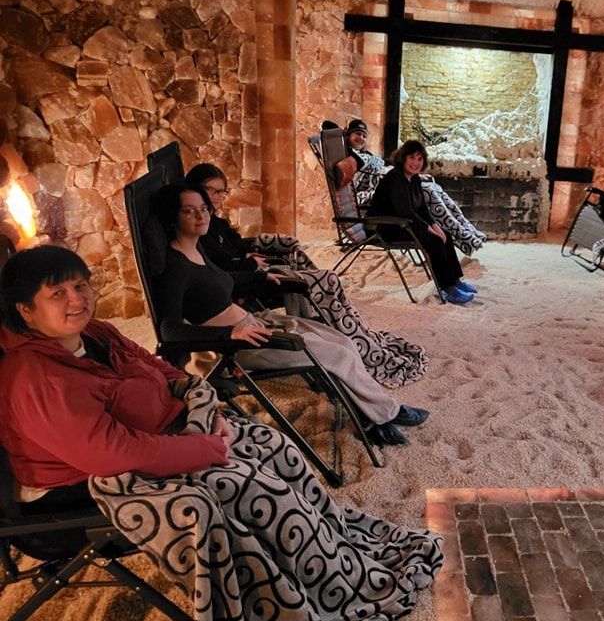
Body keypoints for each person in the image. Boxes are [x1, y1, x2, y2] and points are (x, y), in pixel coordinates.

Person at [0, 245, 443, 621]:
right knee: (247, 485)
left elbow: (162, 368)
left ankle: (334, 557)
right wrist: (208, 447)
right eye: (57, 294)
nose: (77, 300)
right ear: (25, 310)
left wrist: (206, 407)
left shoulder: (96, 334)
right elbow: (111, 452)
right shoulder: (37, 378)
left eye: (81, 286)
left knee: (274, 447)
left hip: (171, 432)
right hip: (81, 495)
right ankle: (319, 592)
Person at [152, 183, 429, 446]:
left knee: (342, 341)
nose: (201, 215)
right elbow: (169, 330)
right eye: (189, 210)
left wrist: (258, 276)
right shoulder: (175, 268)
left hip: (256, 323)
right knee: (337, 355)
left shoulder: (196, 247)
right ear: (173, 218)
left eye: (204, 208)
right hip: (240, 345)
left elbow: (218, 281)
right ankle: (387, 414)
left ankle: (373, 416)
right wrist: (229, 334)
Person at [184, 163, 428, 388]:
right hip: (250, 284)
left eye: (222, 192)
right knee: (327, 280)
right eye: (211, 191)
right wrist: (247, 264)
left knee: (310, 267)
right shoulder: (196, 230)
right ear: (194, 190)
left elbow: (239, 246)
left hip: (253, 271)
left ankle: (356, 335)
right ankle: (360, 344)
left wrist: (255, 253)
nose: (217, 198)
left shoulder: (216, 223)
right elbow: (213, 272)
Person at [341, 119, 488, 256]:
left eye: (364, 135)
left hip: (394, 183)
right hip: (371, 193)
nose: (361, 138)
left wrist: (410, 175)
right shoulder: (351, 157)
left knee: (433, 188)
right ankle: (461, 238)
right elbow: (351, 172)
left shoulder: (365, 154)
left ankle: (468, 231)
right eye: (357, 134)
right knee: (428, 192)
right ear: (348, 135)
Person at [366, 140, 478, 305]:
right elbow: (405, 211)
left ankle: (455, 280)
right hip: (384, 226)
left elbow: (422, 209)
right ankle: (448, 289)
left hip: (404, 223)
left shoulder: (415, 179)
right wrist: (427, 229)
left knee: (444, 234)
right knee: (433, 241)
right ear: (403, 158)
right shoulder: (396, 177)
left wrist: (435, 225)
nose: (416, 163)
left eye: (420, 159)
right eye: (412, 158)